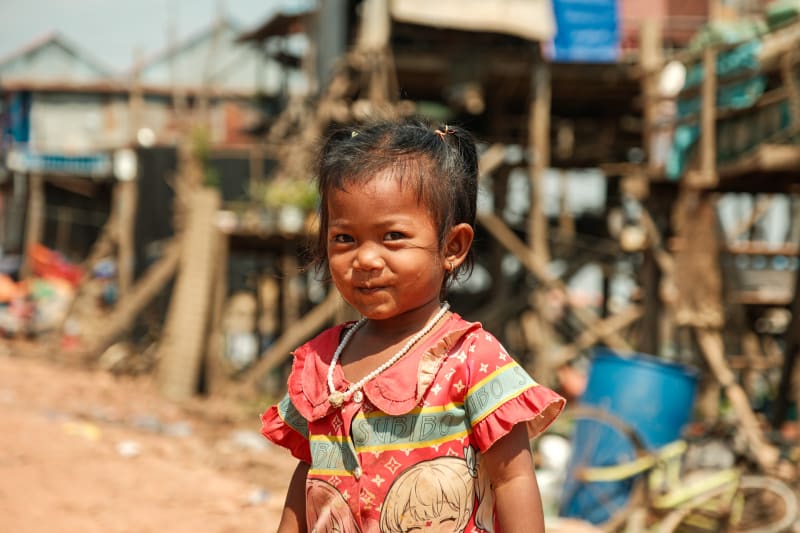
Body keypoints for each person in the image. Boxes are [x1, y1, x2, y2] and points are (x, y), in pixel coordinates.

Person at [261, 118, 566, 533]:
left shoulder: (471, 357)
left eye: (393, 237)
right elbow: (307, 478)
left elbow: (512, 478)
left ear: (452, 246)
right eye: (345, 239)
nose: (365, 259)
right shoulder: (322, 363)